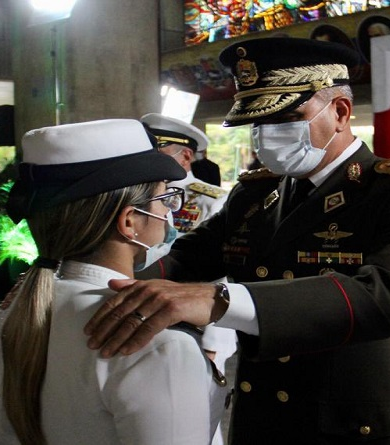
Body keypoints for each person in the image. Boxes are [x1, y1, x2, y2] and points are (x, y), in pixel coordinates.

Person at [85, 37, 390, 445]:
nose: (267, 136)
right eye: (259, 124)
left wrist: (219, 300)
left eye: (285, 119)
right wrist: (90, 280)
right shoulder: (255, 194)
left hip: (352, 422)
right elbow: (187, 258)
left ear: (340, 111)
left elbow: (386, 297)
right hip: (262, 414)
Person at [0, 119, 229, 445]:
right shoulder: (158, 341)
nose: (169, 210)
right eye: (163, 199)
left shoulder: (23, 304)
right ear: (129, 222)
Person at [141, 113, 236, 445]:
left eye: (157, 148)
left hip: (193, 326)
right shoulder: (137, 193)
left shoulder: (210, 198)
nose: (147, 153)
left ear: (185, 155)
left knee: (195, 422)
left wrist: (214, 343)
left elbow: (223, 273)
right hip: (141, 313)